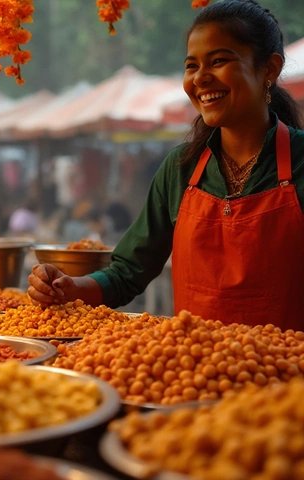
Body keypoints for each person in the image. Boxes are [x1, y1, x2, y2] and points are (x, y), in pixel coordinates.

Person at [28, 0, 304, 331]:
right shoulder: (181, 168)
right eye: (191, 66)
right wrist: (71, 287)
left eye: (218, 61)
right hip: (191, 372)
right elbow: (128, 271)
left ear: (270, 69)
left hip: (288, 375)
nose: (201, 78)